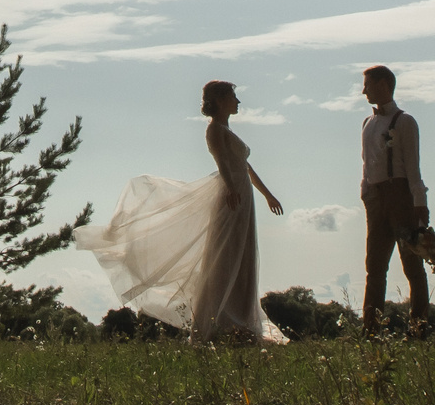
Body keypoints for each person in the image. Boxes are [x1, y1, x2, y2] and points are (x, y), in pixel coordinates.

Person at [75, 80, 287, 343]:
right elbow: (222, 161)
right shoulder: (214, 130)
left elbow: (246, 167)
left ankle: (242, 323)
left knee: (243, 256)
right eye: (233, 96)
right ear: (220, 100)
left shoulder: (227, 130)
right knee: (225, 256)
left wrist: (267, 195)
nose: (238, 101)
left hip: (243, 198)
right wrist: (232, 188)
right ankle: (218, 324)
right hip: (231, 198)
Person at [361, 63, 433, 334]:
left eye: (366, 85)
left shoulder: (404, 121)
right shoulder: (367, 123)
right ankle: (371, 330)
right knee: (374, 267)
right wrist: (366, 195)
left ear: (382, 84)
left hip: (401, 198)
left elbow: (414, 167)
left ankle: (419, 328)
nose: (363, 91)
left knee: (412, 266)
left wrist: (420, 205)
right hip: (376, 199)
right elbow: (366, 164)